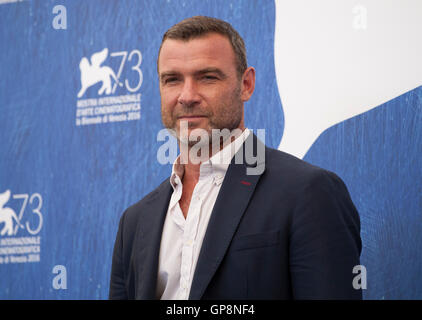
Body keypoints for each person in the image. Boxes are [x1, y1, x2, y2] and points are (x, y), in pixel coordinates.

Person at [109, 16, 362, 300]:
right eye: (172, 79)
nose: (187, 96)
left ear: (246, 84)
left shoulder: (308, 193)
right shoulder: (134, 222)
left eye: (207, 77)